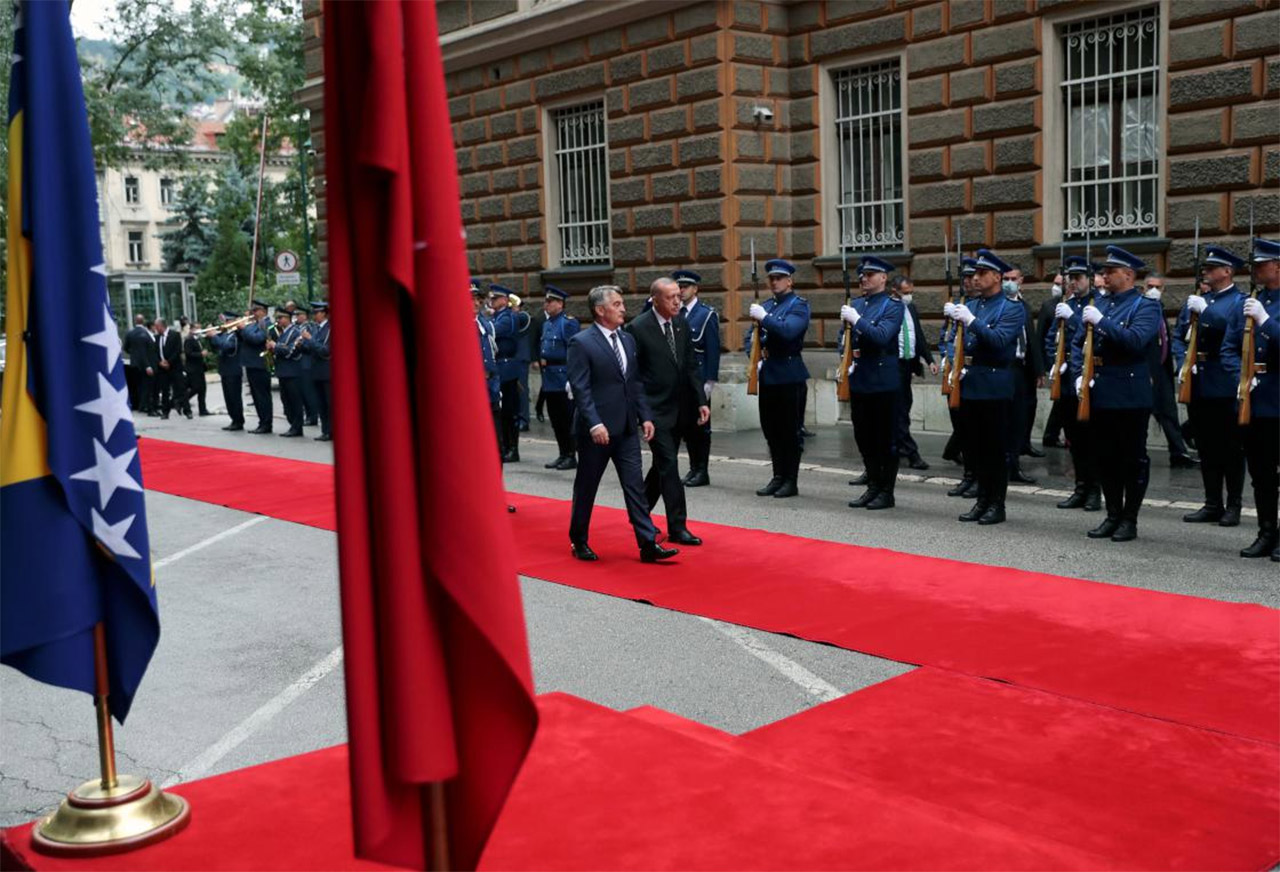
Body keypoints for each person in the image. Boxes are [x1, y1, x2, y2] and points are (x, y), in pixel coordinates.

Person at [566, 285, 679, 564]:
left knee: (635, 487)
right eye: (616, 304)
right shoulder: (582, 342)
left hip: (627, 428)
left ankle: (647, 544)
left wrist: (645, 416)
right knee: (587, 486)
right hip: (597, 432)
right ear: (600, 310)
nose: (622, 308)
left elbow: (634, 383)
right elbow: (581, 389)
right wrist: (594, 424)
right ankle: (579, 539)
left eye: (621, 303)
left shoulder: (627, 340)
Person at [1072, 246, 1163, 542]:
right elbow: (1078, 343)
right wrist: (1078, 375)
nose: (1105, 276)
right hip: (1100, 389)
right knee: (1105, 457)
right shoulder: (1103, 302)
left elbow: (1135, 341)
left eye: (1111, 271)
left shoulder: (1145, 306)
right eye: (1105, 271)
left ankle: (1129, 519)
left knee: (1132, 458)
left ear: (1129, 274)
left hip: (1129, 392)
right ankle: (1112, 514)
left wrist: (1101, 322)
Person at [945, 249, 1026, 525]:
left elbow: (999, 341)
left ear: (997, 277)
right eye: (974, 274)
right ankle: (981, 500)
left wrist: (971, 322)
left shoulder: (1012, 308)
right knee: (975, 447)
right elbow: (964, 343)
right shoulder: (976, 305)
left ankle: (996, 504)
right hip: (971, 382)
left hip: (995, 384)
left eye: (981, 274)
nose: (975, 279)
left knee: (995, 448)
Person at [628, 277, 710, 544]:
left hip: (680, 408)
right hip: (655, 411)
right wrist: (643, 415)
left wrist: (700, 400)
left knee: (661, 466)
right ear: (655, 300)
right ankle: (677, 527)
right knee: (670, 466)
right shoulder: (638, 328)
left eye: (679, 296)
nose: (678, 301)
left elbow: (690, 365)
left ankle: (638, 512)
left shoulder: (680, 323)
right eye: (670, 297)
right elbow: (634, 377)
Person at [1173, 246, 1247, 527]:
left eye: (1212, 268)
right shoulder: (1197, 300)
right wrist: (1183, 361)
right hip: (1199, 381)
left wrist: (1207, 313)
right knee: (1206, 447)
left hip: (1224, 381)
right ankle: (1212, 502)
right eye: (1206, 268)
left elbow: (1235, 332)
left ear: (1227, 272)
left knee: (1230, 448)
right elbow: (1180, 335)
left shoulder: (1239, 302)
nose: (1206, 271)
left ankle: (1234, 505)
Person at [1222, 238, 1280, 560]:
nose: (1256, 270)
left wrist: (1267, 322)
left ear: (1278, 266)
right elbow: (1229, 348)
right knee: (1261, 473)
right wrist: (1242, 379)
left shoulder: (1260, 309)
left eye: (1261, 264)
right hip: (1254, 399)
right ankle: (1266, 532)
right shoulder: (1252, 300)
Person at [840, 257, 906, 509]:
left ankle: (886, 491)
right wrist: (845, 357)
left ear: (883, 278)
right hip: (860, 377)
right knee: (863, 436)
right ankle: (872, 486)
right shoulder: (856, 303)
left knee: (885, 439)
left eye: (869, 274)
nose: (863, 279)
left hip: (883, 380)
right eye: (861, 275)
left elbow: (881, 336)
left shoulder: (893, 305)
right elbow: (843, 338)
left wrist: (857, 320)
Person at [745, 259, 811, 499]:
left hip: (790, 374)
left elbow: (789, 331)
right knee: (771, 430)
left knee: (790, 432)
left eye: (779, 278)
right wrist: (755, 356)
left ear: (789, 281)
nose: (774, 282)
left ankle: (790, 480)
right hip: (769, 375)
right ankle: (777, 476)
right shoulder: (766, 305)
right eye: (771, 278)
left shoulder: (798, 305)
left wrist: (765, 318)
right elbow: (748, 338)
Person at [1044, 257, 1100, 511]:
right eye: (1071, 278)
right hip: (1066, 379)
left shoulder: (1095, 303)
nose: (1074, 282)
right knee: (1073, 439)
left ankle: (1094, 491)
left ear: (1089, 278)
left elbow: (1093, 334)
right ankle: (1080, 487)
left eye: (1078, 278)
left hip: (1086, 380)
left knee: (1090, 439)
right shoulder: (1065, 304)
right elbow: (1050, 338)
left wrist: (1074, 317)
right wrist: (1053, 363)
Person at [1142, 275, 1197, 467]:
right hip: (1146, 371)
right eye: (1150, 286)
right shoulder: (1140, 309)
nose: (1154, 290)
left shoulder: (1159, 309)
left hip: (1162, 370)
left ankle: (1178, 453)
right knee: (1142, 415)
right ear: (1143, 287)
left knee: (1168, 412)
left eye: (1158, 287)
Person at [675, 270, 720, 488]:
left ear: (695, 289)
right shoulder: (675, 313)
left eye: (685, 287)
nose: (681, 290)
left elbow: (712, 349)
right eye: (679, 287)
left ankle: (702, 470)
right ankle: (693, 468)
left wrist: (710, 380)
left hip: (699, 379)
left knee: (701, 427)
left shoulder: (705, 314)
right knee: (687, 427)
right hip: (679, 380)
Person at [939, 258, 981, 497]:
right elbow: (945, 338)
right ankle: (968, 475)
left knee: (975, 432)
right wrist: (947, 357)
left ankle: (977, 477)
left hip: (973, 374)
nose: (967, 281)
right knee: (961, 428)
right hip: (955, 374)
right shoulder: (958, 304)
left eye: (971, 276)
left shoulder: (979, 307)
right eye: (964, 277)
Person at [890, 274, 935, 471]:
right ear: (895, 291)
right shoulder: (889, 308)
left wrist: (930, 359)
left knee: (904, 408)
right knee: (899, 410)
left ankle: (897, 445)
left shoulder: (911, 308)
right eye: (906, 293)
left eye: (911, 292)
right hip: (893, 365)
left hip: (908, 365)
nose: (909, 296)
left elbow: (918, 335)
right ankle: (912, 453)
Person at [539, 286, 580, 470]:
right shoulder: (547, 324)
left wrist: (572, 378)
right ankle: (562, 453)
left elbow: (574, 352)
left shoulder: (568, 323)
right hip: (549, 378)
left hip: (563, 377)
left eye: (550, 302)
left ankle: (571, 455)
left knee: (566, 419)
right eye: (546, 301)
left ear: (560, 304)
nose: (546, 305)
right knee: (555, 419)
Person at [491, 285, 531, 462]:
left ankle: (512, 448)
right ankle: (505, 446)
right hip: (500, 367)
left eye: (495, 298)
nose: (491, 301)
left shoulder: (507, 318)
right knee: (502, 412)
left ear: (504, 300)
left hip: (507, 369)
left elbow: (492, 331)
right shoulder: (498, 316)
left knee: (509, 411)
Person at [1037, 271, 1069, 448]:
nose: (1056, 287)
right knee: (1060, 400)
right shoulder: (1048, 306)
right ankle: (1051, 434)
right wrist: (1044, 367)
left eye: (1059, 283)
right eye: (1055, 283)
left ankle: (1052, 434)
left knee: (1062, 401)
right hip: (1053, 362)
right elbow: (1041, 337)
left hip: (1069, 362)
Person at [471, 281, 502, 451]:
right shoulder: (457, 325)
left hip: (491, 388)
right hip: (471, 391)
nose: (476, 303)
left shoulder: (487, 325)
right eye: (471, 299)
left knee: (496, 446)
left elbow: (493, 355)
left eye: (478, 299)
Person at [269, 306, 305, 437]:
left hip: (292, 372)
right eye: (278, 318)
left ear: (288, 318)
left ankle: (297, 427)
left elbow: (291, 351)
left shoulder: (296, 332)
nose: (278, 320)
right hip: (283, 371)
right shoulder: (283, 332)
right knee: (286, 400)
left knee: (294, 400)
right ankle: (292, 425)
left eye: (281, 318)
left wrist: (275, 346)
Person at [300, 301, 332, 441]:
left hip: (327, 372)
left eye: (316, 313)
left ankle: (331, 431)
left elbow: (325, 351)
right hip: (317, 372)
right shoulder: (317, 328)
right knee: (321, 404)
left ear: (324, 314)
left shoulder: (330, 329)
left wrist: (310, 339)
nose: (314, 315)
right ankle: (325, 431)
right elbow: (312, 349)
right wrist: (302, 345)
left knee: (329, 404)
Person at [240, 299, 274, 433]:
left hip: (260, 364)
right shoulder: (255, 324)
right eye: (253, 310)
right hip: (252, 364)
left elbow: (257, 339)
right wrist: (240, 329)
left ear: (263, 311)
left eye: (256, 310)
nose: (253, 313)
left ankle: (266, 423)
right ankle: (262, 422)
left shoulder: (267, 324)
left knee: (262, 396)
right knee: (256, 396)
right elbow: (246, 337)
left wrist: (243, 329)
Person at [209, 311, 245, 431]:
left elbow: (226, 347)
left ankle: (238, 420)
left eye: (228, 321)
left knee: (234, 397)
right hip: (225, 370)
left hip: (233, 370)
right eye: (226, 321)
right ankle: (233, 419)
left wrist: (214, 336)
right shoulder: (225, 334)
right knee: (228, 397)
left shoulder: (235, 335)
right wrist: (211, 337)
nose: (226, 323)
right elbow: (216, 347)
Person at [293, 306, 320, 427]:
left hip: (307, 362)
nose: (297, 317)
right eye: (296, 315)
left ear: (305, 316)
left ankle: (312, 416)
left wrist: (301, 344)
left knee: (308, 392)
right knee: (303, 392)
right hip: (299, 362)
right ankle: (309, 415)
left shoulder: (310, 327)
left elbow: (311, 343)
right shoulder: (298, 327)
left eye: (300, 314)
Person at [153, 317, 184, 419]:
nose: (155, 328)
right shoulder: (157, 337)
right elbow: (154, 353)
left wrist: (169, 362)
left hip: (174, 366)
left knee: (179, 388)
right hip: (162, 369)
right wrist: (160, 362)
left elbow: (178, 350)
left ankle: (183, 407)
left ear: (161, 326)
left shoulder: (175, 335)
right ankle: (165, 412)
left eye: (156, 326)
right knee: (165, 390)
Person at [123, 313, 153, 413]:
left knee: (137, 385)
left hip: (134, 363)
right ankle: (144, 405)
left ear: (135, 321)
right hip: (145, 363)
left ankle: (139, 403)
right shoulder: (146, 333)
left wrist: (132, 354)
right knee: (146, 385)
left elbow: (125, 347)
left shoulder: (130, 333)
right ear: (143, 321)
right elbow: (149, 349)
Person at [512, 293, 533, 432]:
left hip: (520, 359)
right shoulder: (511, 318)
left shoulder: (523, 316)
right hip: (512, 359)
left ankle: (524, 419)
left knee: (522, 391)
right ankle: (516, 417)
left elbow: (517, 318)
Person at [183, 321, 211, 416]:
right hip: (192, 368)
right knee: (195, 388)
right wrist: (200, 354)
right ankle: (182, 401)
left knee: (202, 389)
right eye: (196, 328)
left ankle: (203, 410)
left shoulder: (197, 339)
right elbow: (188, 353)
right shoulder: (189, 339)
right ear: (191, 329)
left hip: (200, 368)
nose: (199, 330)